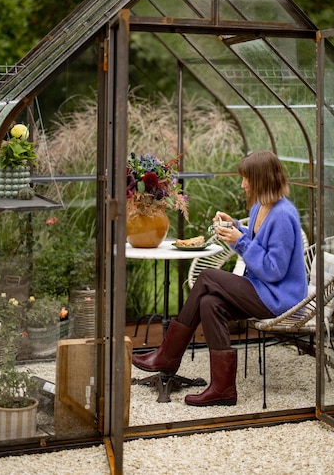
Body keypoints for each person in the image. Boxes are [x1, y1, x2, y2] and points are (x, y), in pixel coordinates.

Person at [132, 150, 308, 407]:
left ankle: (168, 355)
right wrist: (235, 226)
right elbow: (258, 241)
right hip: (262, 288)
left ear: (261, 179)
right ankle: (223, 389)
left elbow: (274, 270)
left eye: (246, 178)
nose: (243, 184)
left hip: (280, 297)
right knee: (209, 304)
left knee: (206, 277)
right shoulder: (261, 206)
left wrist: (242, 240)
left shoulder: (283, 215)